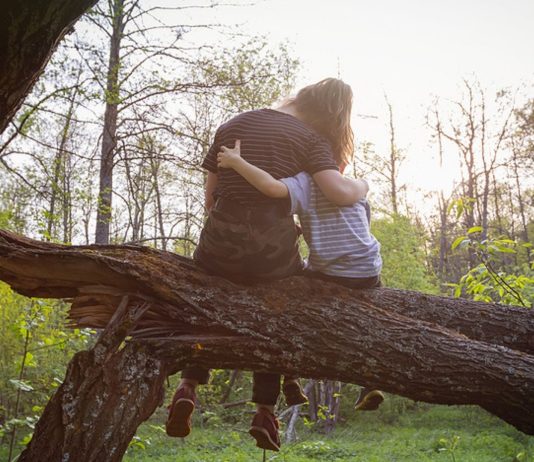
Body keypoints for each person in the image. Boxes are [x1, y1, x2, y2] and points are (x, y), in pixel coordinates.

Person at [166, 78, 367, 452]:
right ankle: (264, 411)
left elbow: (210, 198)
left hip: (220, 239)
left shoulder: (232, 124)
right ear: (331, 114)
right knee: (279, 306)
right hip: (271, 246)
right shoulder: (311, 140)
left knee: (205, 296)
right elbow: (337, 192)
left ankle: (187, 387)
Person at [216, 135, 385, 414]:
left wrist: (237, 162)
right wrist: (364, 184)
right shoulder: (354, 185)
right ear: (341, 163)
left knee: (286, 311)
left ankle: (290, 375)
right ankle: (372, 382)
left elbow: (270, 187)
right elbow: (362, 225)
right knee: (373, 320)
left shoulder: (304, 182)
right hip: (367, 269)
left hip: (329, 272)